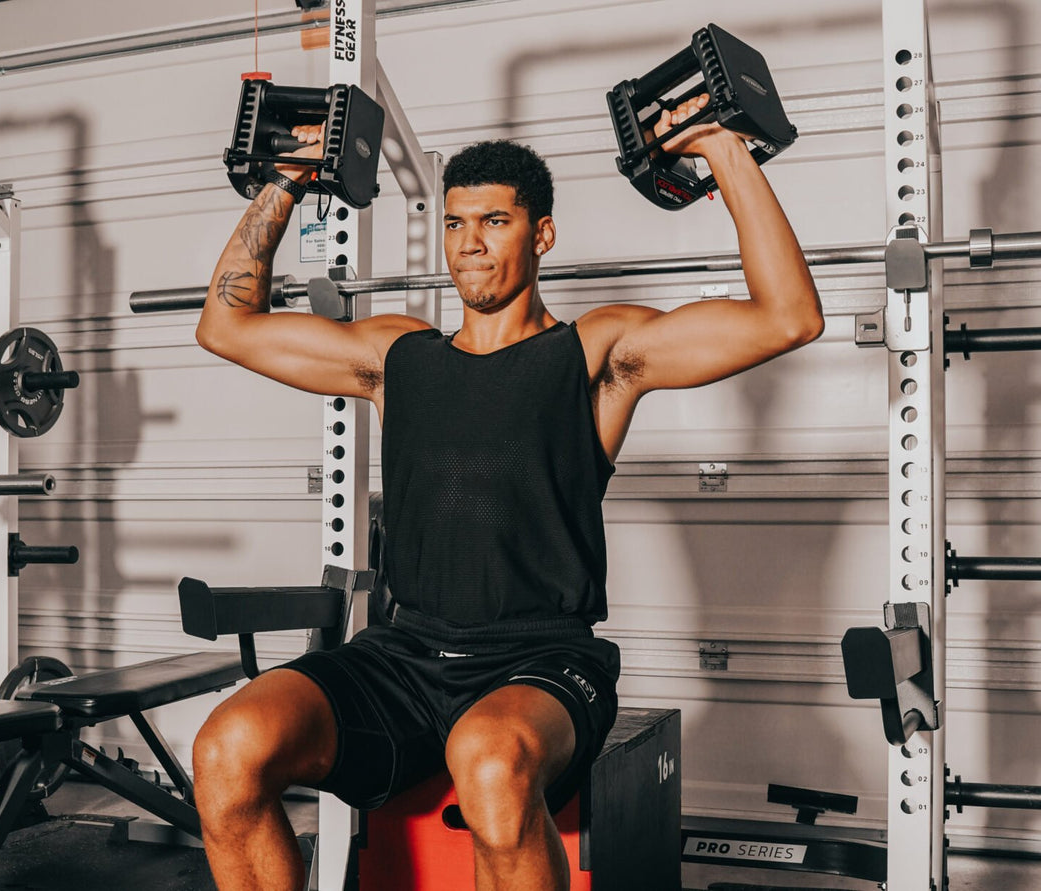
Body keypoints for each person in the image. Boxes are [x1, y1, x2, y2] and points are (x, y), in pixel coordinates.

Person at [191, 91, 823, 891]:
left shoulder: (597, 354)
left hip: (543, 661)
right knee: (226, 747)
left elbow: (789, 317)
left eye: (493, 221)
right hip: (403, 656)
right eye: (456, 223)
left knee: (488, 762)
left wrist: (723, 151)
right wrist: (284, 181)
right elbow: (226, 325)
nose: (469, 245)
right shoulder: (397, 356)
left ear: (542, 234)